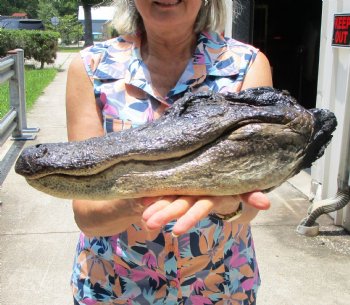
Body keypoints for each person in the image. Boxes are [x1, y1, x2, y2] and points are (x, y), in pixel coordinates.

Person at [66, 0, 272, 304]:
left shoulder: (246, 65)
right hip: (114, 288)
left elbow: (250, 205)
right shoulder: (90, 68)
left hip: (220, 285)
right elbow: (87, 215)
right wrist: (141, 199)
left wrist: (230, 202)